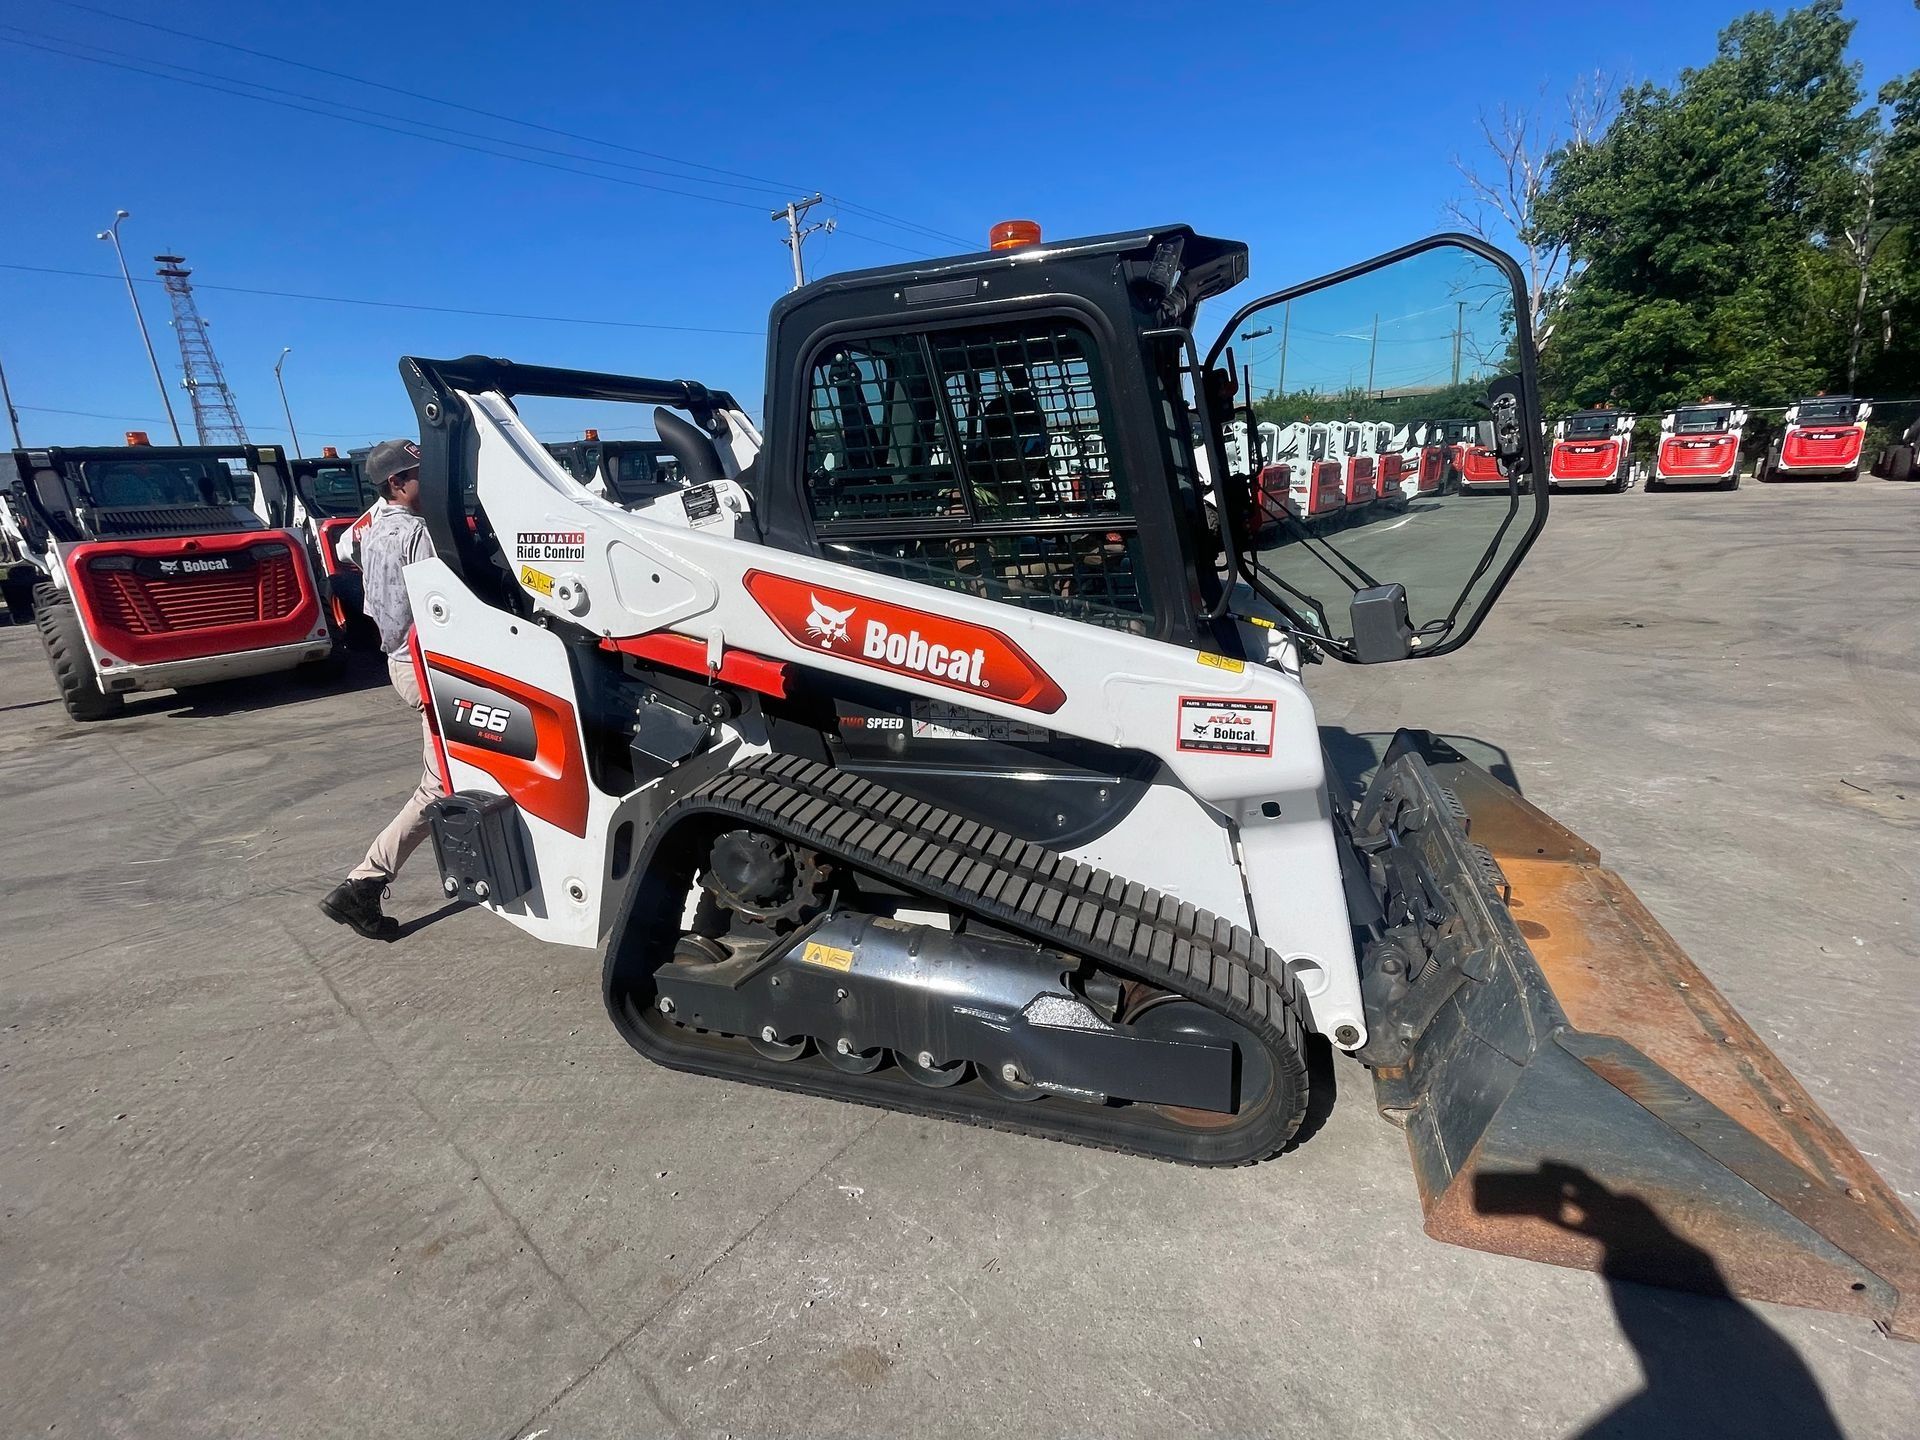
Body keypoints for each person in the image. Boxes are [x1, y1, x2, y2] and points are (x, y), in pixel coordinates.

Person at [319, 439, 437, 940]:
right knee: (440, 786)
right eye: (420, 475)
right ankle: (360, 886)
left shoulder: (370, 532)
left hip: (399, 661)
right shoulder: (418, 536)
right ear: (397, 483)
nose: (428, 482)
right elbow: (443, 607)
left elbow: (351, 560)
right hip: (428, 666)